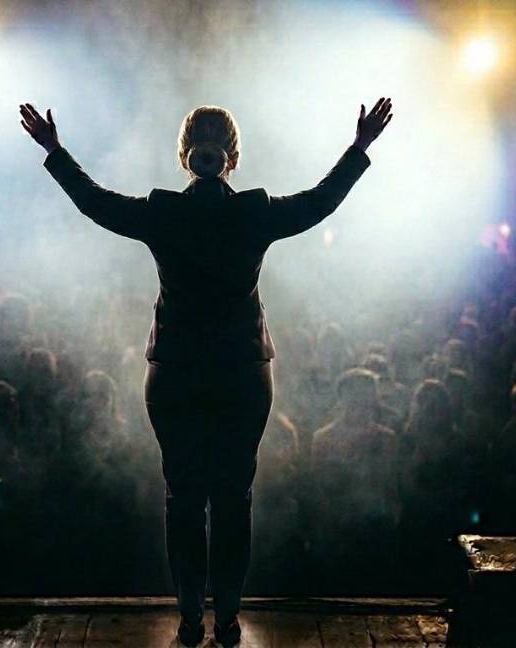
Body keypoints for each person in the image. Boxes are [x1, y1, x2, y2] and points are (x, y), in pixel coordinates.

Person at [21, 98, 393, 647]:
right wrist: (359, 147)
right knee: (234, 498)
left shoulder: (162, 212)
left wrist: (55, 151)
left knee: (183, 498)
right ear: (232, 157)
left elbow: (95, 202)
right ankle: (229, 618)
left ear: (185, 156)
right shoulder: (255, 212)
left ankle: (191, 617)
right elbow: (320, 201)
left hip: (175, 373)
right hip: (242, 373)